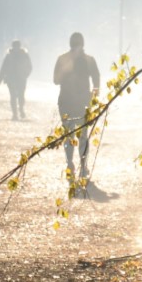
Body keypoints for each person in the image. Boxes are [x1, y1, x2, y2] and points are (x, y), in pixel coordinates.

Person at [52, 32, 100, 184]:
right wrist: (94, 93)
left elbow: (55, 80)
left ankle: (71, 164)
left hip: (68, 102)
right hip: (80, 102)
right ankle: (82, 165)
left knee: (69, 135)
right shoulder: (89, 59)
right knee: (82, 135)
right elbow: (96, 80)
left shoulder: (63, 59)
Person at [0, 40, 33, 121]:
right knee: (13, 96)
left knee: (21, 96)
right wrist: (0, 78)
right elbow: (4, 68)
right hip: (11, 79)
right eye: (14, 46)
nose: (16, 48)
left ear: (19, 47)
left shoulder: (24, 55)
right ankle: (15, 114)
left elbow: (29, 67)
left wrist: (25, 75)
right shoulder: (9, 56)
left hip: (21, 79)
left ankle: (21, 109)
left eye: (17, 46)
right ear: (12, 47)